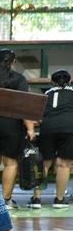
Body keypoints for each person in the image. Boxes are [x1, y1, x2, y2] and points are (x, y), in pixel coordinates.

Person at [0, 48, 36, 208]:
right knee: (11, 163)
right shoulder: (19, 79)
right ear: (13, 62)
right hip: (11, 125)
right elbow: (24, 105)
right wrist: (30, 128)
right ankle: (5, 200)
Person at [32, 69, 73, 208]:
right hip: (68, 127)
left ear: (52, 82)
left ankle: (36, 199)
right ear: (69, 81)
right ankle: (59, 200)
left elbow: (38, 116)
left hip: (48, 127)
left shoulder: (46, 94)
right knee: (64, 164)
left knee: (43, 163)